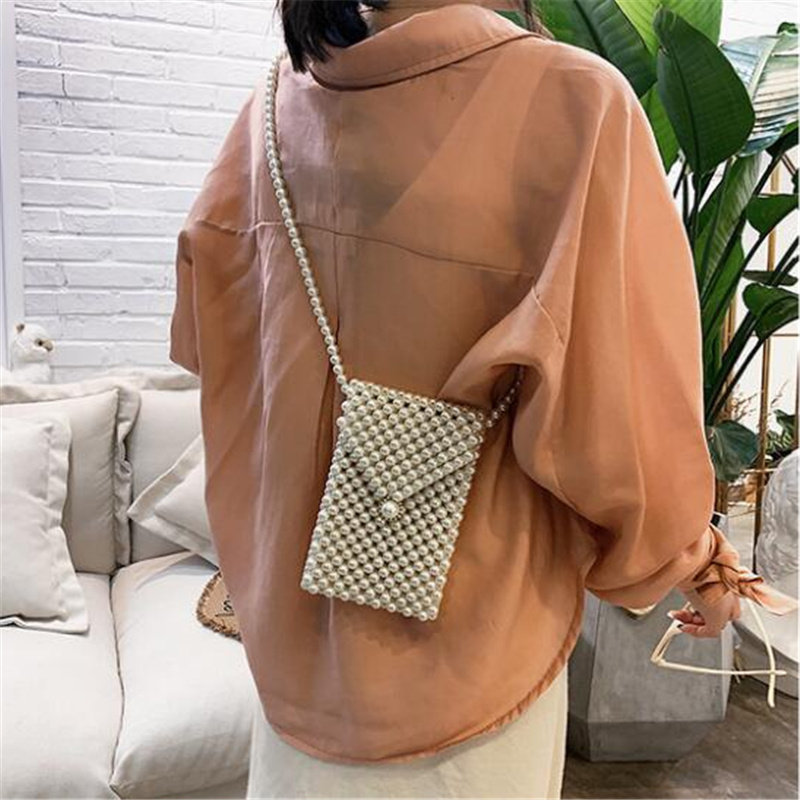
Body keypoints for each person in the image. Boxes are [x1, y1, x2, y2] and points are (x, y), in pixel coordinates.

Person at [167, 0, 797, 796]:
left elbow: (211, 343)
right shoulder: (572, 101)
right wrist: (695, 563)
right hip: (469, 655)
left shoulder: (275, 105)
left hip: (290, 645)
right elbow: (614, 408)